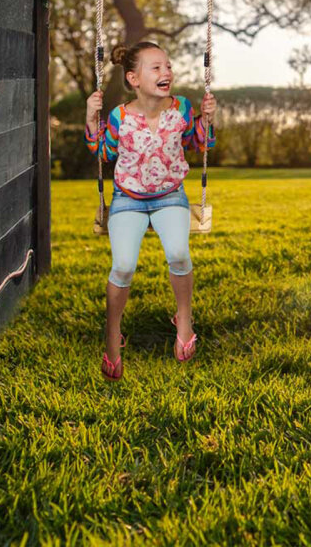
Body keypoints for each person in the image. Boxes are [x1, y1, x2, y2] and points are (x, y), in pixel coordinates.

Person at [85, 42, 216, 380]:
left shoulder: (182, 108)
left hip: (170, 195)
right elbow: (102, 151)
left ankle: (184, 320)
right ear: (133, 78)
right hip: (128, 199)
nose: (166, 72)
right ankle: (112, 333)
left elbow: (199, 143)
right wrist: (90, 116)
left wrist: (207, 120)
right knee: (124, 265)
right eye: (156, 68)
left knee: (178, 254)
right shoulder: (119, 116)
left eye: (168, 66)